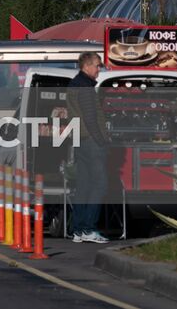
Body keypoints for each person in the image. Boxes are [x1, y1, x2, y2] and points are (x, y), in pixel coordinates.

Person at [66, 52, 111, 244]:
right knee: (99, 184)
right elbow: (91, 119)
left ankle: (78, 229)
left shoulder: (75, 84)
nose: (99, 69)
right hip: (91, 141)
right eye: (97, 65)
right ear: (86, 67)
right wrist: (102, 141)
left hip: (80, 140)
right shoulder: (85, 88)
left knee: (83, 185)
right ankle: (88, 228)